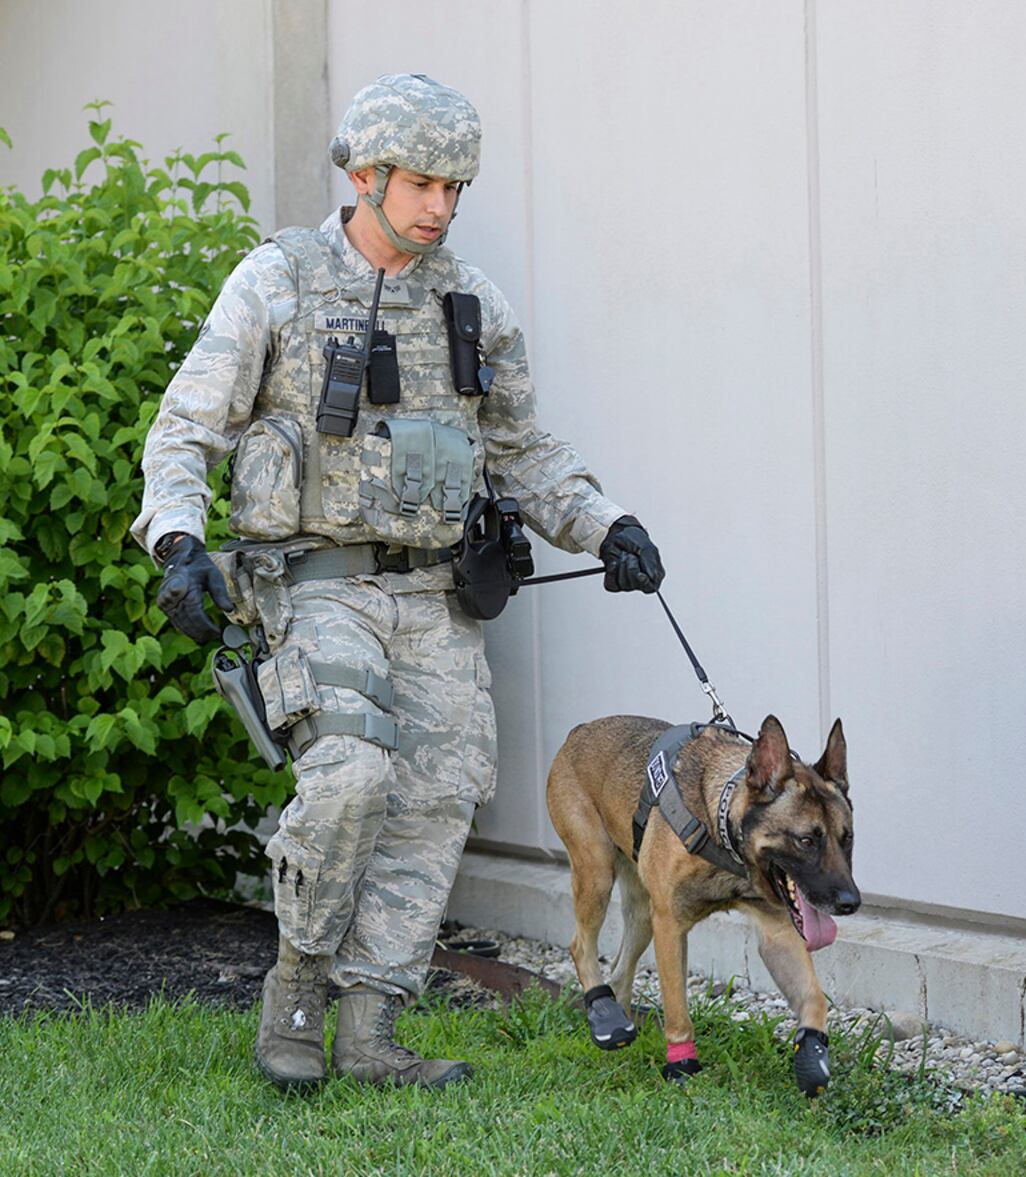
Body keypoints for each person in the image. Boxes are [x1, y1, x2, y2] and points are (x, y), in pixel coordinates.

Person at [132, 73, 663, 1091]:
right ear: (365, 175)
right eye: (422, 183)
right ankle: (294, 992)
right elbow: (185, 427)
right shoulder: (277, 282)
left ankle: (373, 1030)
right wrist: (179, 540)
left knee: (439, 793)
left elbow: (522, 449)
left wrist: (607, 526)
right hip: (314, 585)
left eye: (455, 188)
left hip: (435, 597)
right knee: (351, 776)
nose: (440, 207)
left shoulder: (470, 304)